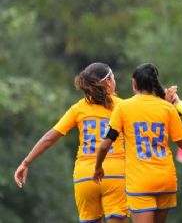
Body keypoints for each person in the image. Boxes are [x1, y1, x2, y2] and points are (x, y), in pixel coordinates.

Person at [14, 63, 129, 223]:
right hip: (115, 174)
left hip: (85, 177)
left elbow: (50, 137)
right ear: (109, 81)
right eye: (113, 78)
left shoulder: (78, 108)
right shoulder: (123, 106)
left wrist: (25, 163)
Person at [93, 63, 182, 223]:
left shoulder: (123, 108)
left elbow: (105, 144)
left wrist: (98, 168)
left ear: (134, 83)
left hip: (140, 182)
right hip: (166, 180)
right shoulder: (167, 108)